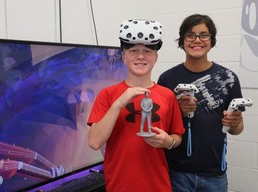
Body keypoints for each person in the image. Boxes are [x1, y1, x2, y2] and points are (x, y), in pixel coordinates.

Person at [87, 19, 185, 192]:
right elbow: (94, 142)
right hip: (119, 185)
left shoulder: (167, 95)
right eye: (133, 51)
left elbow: (177, 137)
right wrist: (118, 104)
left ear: (155, 57)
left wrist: (168, 142)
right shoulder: (107, 94)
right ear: (124, 57)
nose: (141, 56)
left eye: (147, 51)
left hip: (158, 185)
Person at [157, 14, 245, 192]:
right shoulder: (167, 78)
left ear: (212, 40)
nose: (197, 40)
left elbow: (237, 128)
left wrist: (235, 123)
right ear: (182, 41)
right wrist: (178, 111)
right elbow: (160, 126)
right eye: (190, 35)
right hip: (176, 173)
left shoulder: (228, 78)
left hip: (215, 174)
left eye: (204, 35)